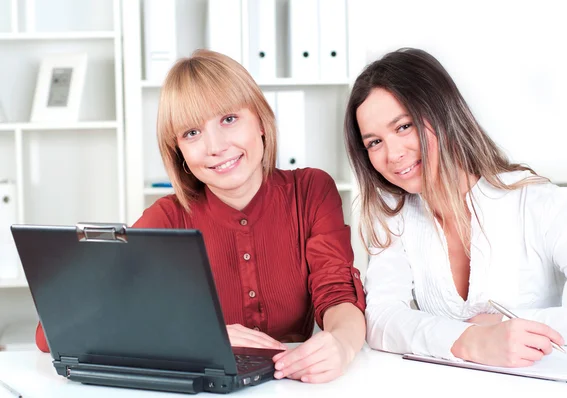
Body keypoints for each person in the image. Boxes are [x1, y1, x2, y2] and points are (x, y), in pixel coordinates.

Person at [36, 49, 366, 383]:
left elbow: (337, 293)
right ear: (178, 151)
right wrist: (198, 338)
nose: (215, 146)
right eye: (192, 133)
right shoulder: (167, 217)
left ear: (261, 122)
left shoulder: (310, 191)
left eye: (229, 119)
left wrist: (343, 345)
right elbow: (51, 332)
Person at [344, 47, 567, 367]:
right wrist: (469, 340)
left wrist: (509, 325)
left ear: (442, 112)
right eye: (374, 142)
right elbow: (381, 320)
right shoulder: (393, 215)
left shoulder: (538, 202)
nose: (392, 154)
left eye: (403, 126)